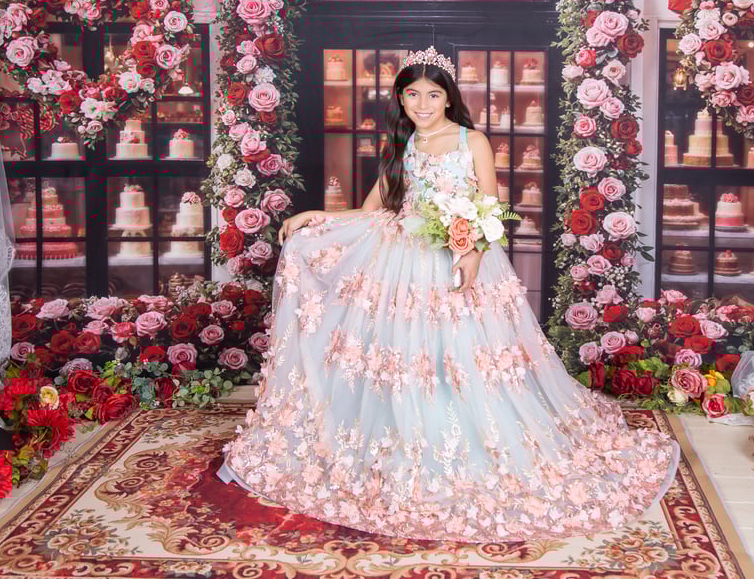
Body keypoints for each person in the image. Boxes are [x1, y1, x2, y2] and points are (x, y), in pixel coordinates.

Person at [217, 47, 679, 542]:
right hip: (401, 260)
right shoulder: (404, 146)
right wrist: (318, 216)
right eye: (413, 95)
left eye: (433, 95)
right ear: (401, 99)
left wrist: (473, 254)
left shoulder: (471, 140)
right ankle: (402, 439)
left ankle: (474, 444)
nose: (423, 104)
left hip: (458, 256)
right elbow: (375, 210)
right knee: (404, 354)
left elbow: (491, 207)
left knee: (462, 355)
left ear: (449, 98)